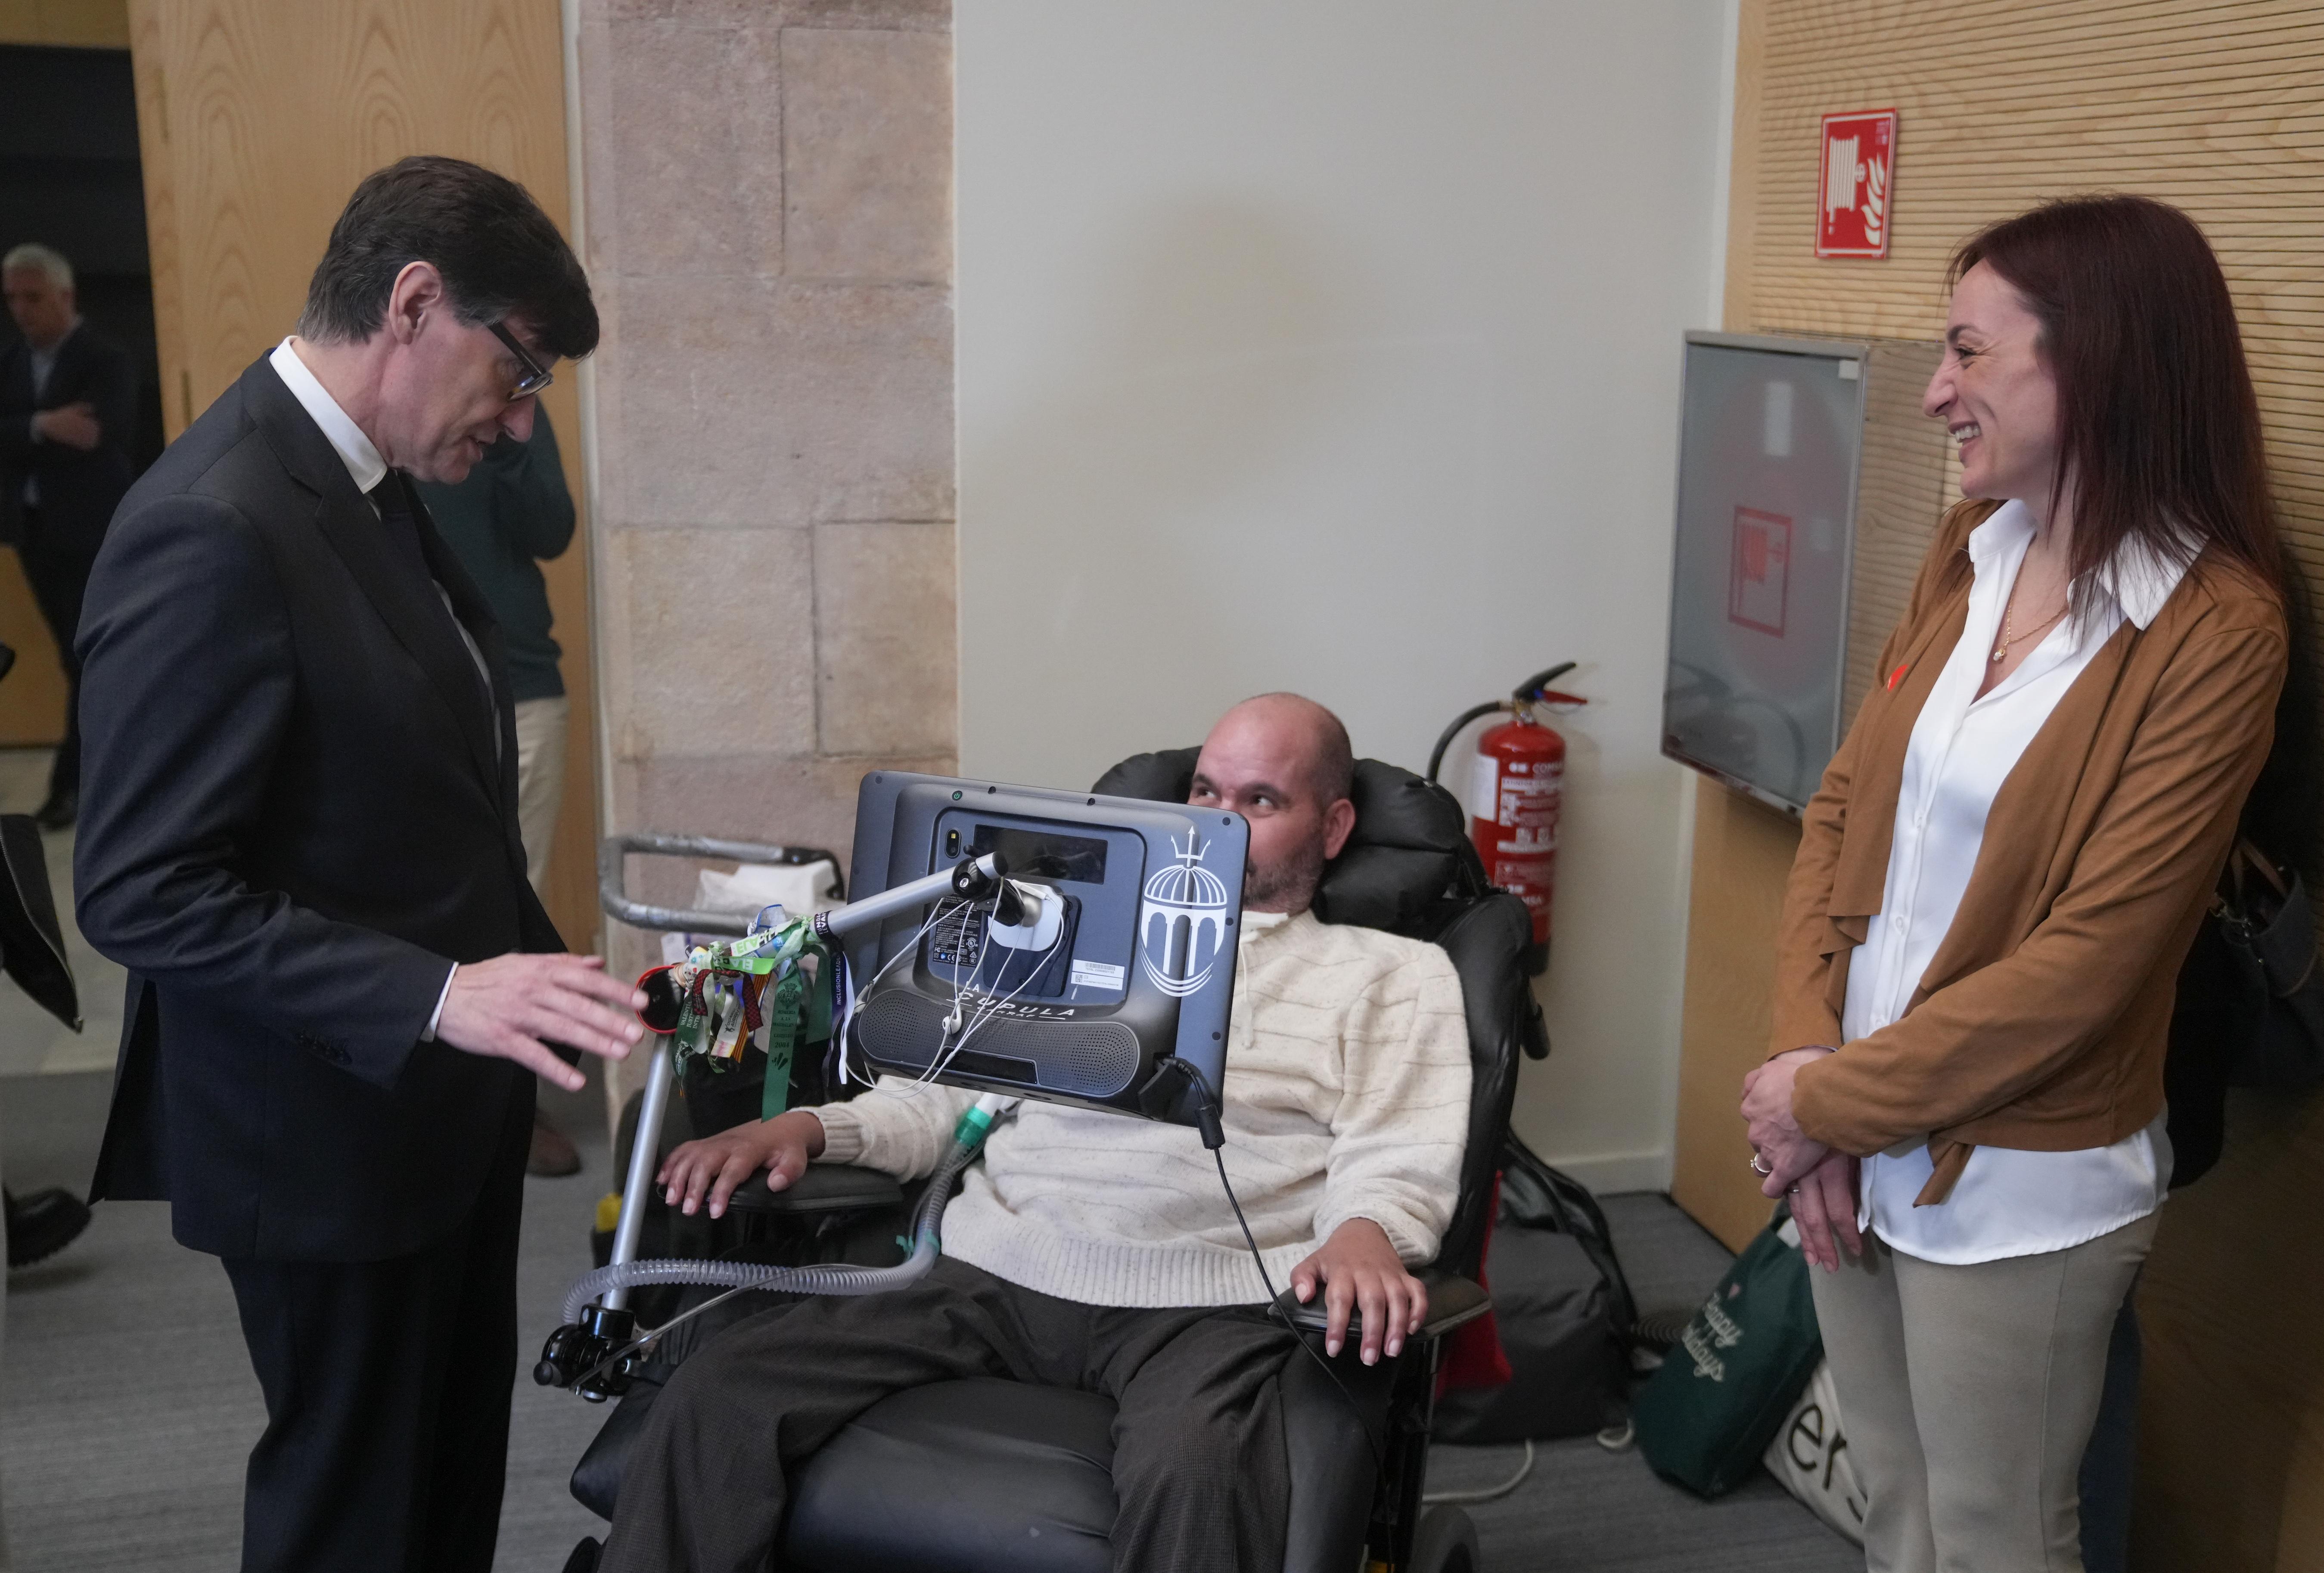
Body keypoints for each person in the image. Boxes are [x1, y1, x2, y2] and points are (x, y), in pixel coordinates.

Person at [73, 156, 648, 1573]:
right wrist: (444, 998)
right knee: (353, 1519)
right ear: (413, 304)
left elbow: (424, 802)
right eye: (517, 376)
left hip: (426, 1120)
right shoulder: (211, 522)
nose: (519, 427)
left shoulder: (369, 482)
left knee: (439, 1497)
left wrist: (570, 980)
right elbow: (141, 889)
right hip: (318, 1131)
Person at [598, 693, 1473, 1573]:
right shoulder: (1070, 930)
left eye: (1258, 802)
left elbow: (1397, 1151)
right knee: (721, 1390)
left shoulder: (1392, 976)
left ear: (1333, 827)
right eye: (1204, 794)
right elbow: (944, 1098)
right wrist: (804, 1129)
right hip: (991, 1262)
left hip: (1207, 1301)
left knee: (1198, 1474)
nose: (1217, 824)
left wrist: (1368, 1231)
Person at [1739, 194, 2289, 1573]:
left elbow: (2094, 960)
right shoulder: (1969, 552)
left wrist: (1823, 1104)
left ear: (2092, 360)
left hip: (2023, 1178)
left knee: (1996, 1534)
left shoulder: (2216, 630)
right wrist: (1809, 1059)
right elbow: (1846, 813)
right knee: (1898, 1507)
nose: (1935, 391)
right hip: (1855, 1137)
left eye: (1969, 352)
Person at [415, 401, 584, 1177]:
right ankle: (432, 1105)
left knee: (513, 900)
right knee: (414, 901)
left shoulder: (512, 397)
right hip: (408, 684)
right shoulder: (384, 389)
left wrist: (512, 433)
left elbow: (551, 528)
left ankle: (505, 1107)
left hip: (518, 681)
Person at [0, 242, 137, 828]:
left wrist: (23, 433)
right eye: (12, 300)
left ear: (65, 295)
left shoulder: (104, 357)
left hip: (91, 531)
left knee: (93, 659)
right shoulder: (10, 361)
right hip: (34, 532)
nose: (22, 311)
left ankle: (76, 787)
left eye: (33, 298)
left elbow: (102, 434)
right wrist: (42, 424)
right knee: (70, 657)